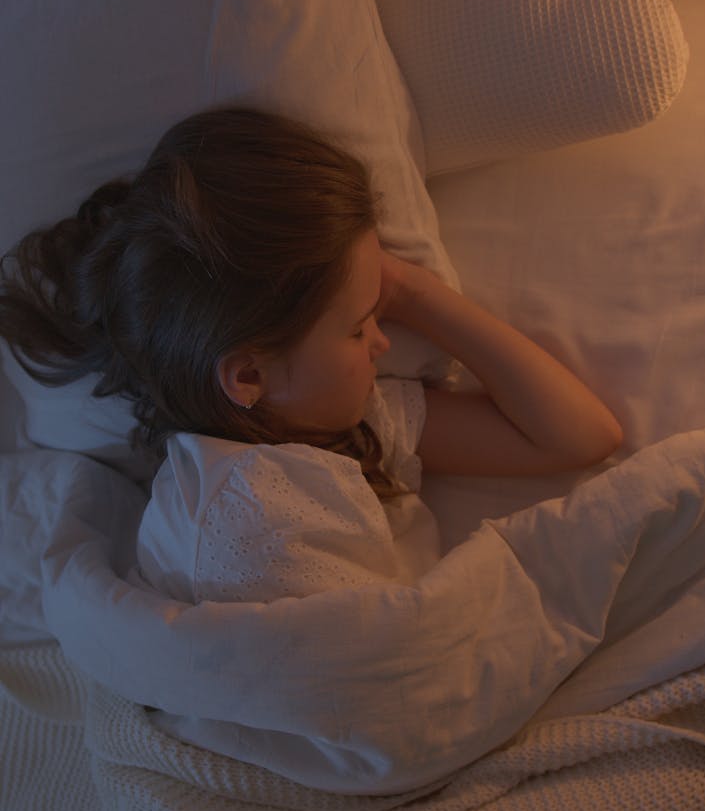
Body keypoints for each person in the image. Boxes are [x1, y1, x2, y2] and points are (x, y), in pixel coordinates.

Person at [0, 105, 622, 603]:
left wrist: (414, 290)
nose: (383, 341)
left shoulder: (367, 427)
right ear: (248, 374)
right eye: (359, 329)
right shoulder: (214, 516)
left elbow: (578, 436)